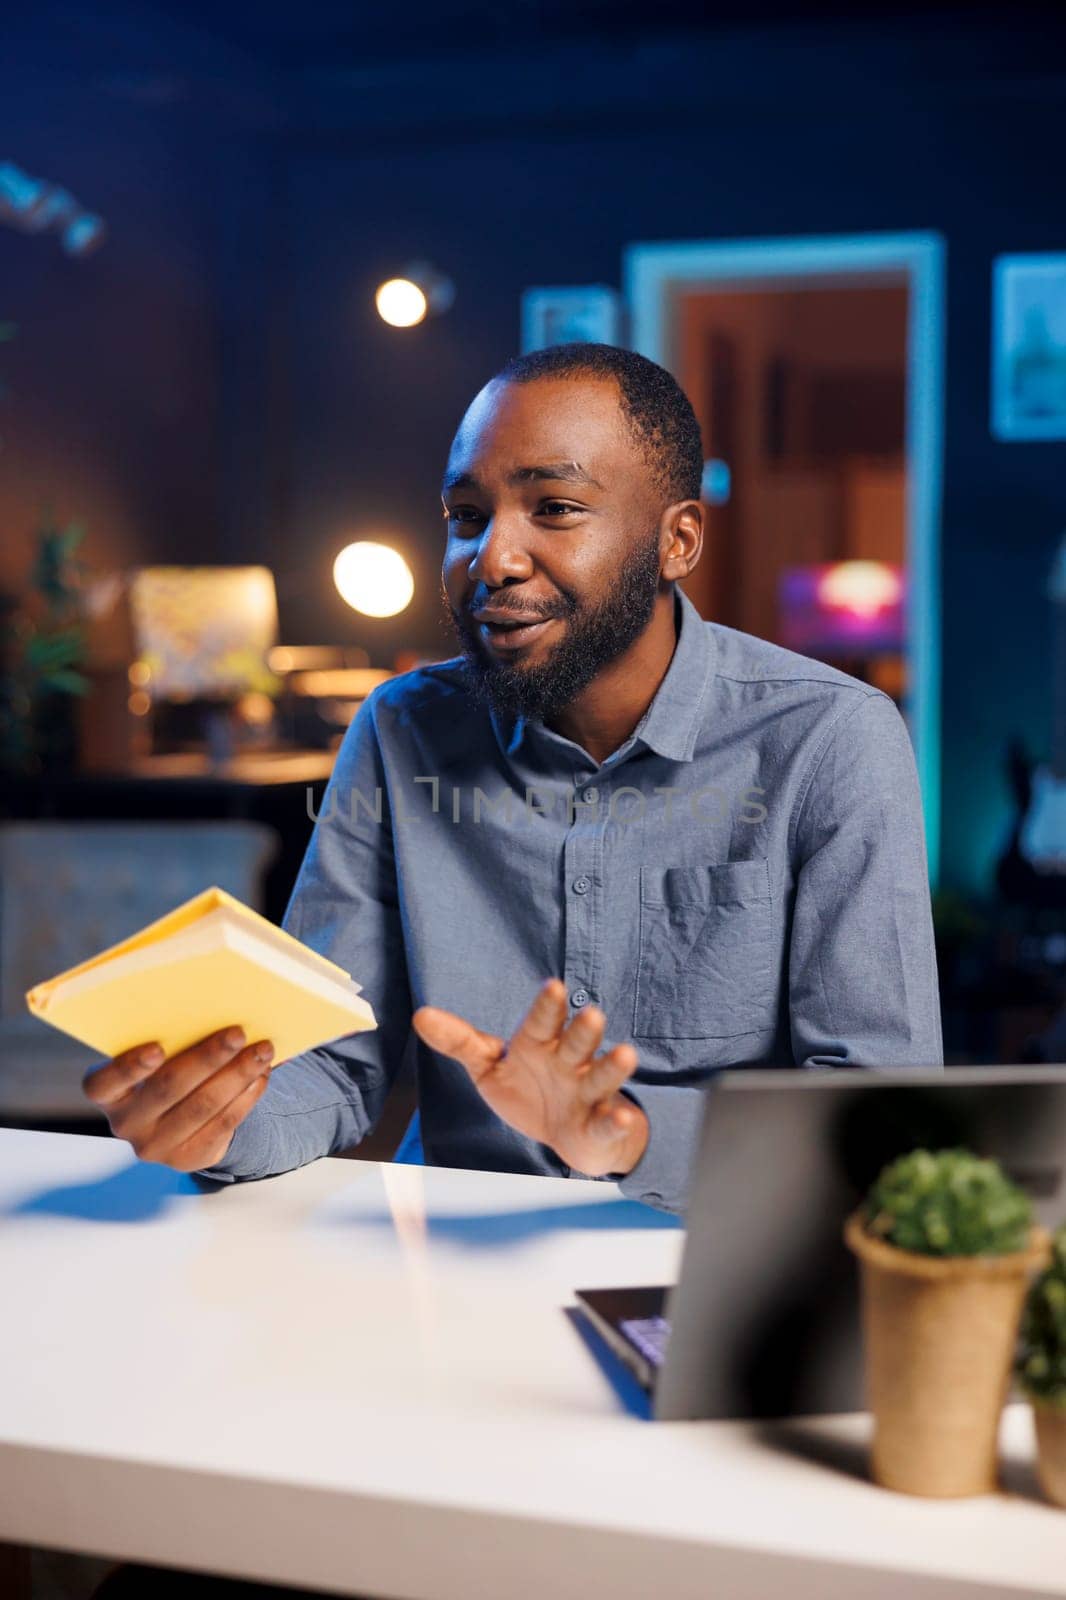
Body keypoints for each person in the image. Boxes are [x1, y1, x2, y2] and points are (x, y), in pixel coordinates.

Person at [85, 342, 943, 1217]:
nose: (492, 557)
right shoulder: (399, 729)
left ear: (677, 539)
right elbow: (333, 1065)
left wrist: (630, 1135)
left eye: (557, 507)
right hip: (450, 1268)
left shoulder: (829, 739)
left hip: (716, 1252)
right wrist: (221, 1125)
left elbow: (880, 1115)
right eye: (465, 514)